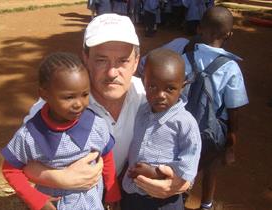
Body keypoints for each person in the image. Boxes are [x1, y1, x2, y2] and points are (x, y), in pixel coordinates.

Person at [22, 13, 191, 205]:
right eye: (101, 60)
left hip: (123, 189)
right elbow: (22, 162)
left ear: (136, 62)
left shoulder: (150, 97)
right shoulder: (57, 106)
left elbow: (187, 140)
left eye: (123, 61)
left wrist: (183, 182)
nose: (112, 72)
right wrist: (60, 178)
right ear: (85, 58)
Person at [1, 52, 121, 210]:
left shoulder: (96, 125)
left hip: (92, 203)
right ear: (44, 94)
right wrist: (37, 200)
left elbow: (106, 156)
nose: (79, 103)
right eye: (68, 97)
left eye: (85, 94)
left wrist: (112, 193)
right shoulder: (30, 135)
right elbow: (10, 169)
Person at [182, 6, 249, 210]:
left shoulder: (186, 58)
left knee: (185, 165)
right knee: (211, 166)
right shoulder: (231, 67)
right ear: (229, 33)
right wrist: (231, 141)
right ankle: (206, 204)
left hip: (184, 127)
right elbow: (233, 108)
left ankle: (179, 199)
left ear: (199, 29)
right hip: (214, 131)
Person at [121, 48, 201, 210]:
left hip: (164, 202)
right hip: (132, 194)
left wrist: (155, 172)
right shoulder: (141, 111)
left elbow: (188, 164)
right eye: (152, 87)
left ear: (182, 86)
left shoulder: (185, 123)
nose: (160, 95)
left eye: (170, 88)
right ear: (144, 82)